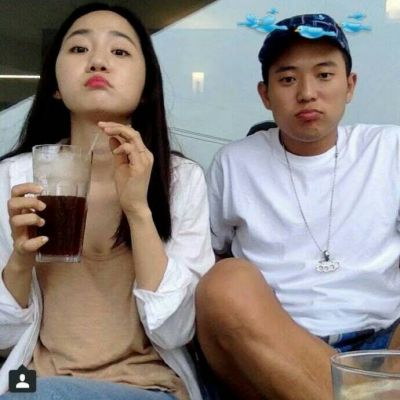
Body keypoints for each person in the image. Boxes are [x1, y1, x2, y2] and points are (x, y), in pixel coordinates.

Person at [0, 3, 214, 399]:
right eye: (79, 49)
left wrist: (138, 211)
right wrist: (20, 260)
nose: (98, 61)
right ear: (55, 86)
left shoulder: (180, 180)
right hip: (33, 378)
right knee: (21, 395)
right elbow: (2, 338)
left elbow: (177, 330)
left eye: (119, 51)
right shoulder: (13, 178)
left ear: (146, 88)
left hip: (147, 384)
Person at [196, 13, 400, 400]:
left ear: (350, 85)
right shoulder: (235, 163)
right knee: (224, 281)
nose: (307, 93)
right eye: (288, 79)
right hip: (274, 348)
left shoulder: (389, 149)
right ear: (265, 94)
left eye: (324, 75)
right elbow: (207, 257)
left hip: (384, 348)